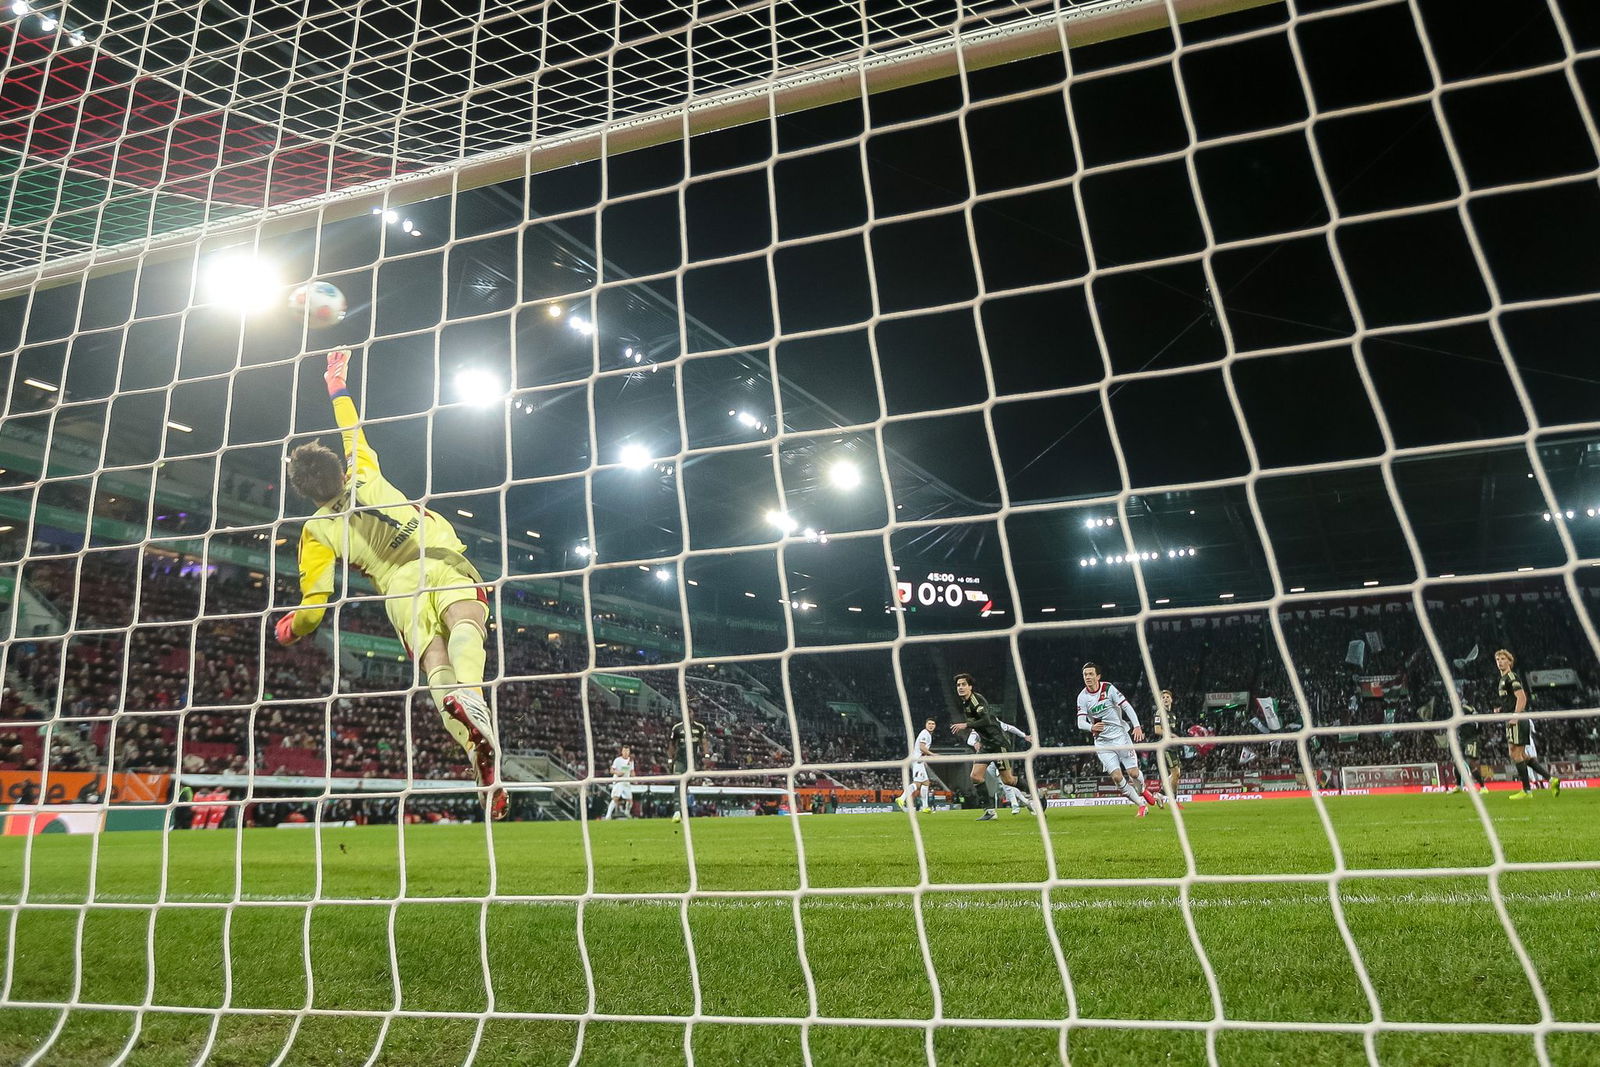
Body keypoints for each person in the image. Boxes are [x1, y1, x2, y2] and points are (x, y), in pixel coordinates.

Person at [276, 348, 506, 821]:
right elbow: (349, 425)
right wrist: (336, 382)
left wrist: (290, 630)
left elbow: (314, 611)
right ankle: (475, 702)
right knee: (467, 622)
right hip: (438, 557)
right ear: (339, 471)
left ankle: (478, 753)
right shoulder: (363, 469)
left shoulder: (315, 532)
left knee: (434, 662)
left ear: (305, 491)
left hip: (399, 588)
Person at [1077, 662, 1162, 817]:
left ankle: (1142, 789)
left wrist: (1136, 726)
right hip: (1102, 743)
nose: (1087, 677)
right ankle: (1141, 804)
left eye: (1090, 674)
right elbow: (1080, 722)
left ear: (1098, 676)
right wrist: (1091, 728)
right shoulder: (1082, 697)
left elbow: (1126, 706)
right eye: (1085, 674)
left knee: (1134, 773)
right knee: (1117, 777)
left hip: (1121, 737)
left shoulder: (1108, 689)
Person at [948, 673, 1026, 822]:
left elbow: (986, 719)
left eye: (964, 684)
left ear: (970, 686)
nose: (960, 687)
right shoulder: (965, 703)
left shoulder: (976, 699)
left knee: (1008, 780)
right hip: (987, 745)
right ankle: (990, 811)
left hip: (998, 743)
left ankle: (1035, 794)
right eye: (958, 685)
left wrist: (966, 725)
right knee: (975, 776)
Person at [1497, 649, 1559, 800]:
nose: (1500, 661)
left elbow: (1522, 697)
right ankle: (1551, 780)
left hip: (1517, 719)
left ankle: (1526, 791)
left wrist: (1515, 716)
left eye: (1503, 658)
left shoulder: (1511, 676)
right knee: (1521, 754)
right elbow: (1512, 699)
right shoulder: (1502, 679)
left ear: (1509, 661)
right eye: (1497, 659)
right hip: (1511, 718)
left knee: (1515, 754)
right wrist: (1501, 709)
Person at [967, 717, 1036, 814]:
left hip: (1000, 753)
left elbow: (1010, 728)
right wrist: (975, 743)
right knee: (1003, 783)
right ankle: (1027, 801)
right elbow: (970, 739)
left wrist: (1024, 736)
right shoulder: (979, 725)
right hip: (988, 760)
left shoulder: (994, 723)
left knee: (1006, 782)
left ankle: (1016, 805)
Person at [668, 708, 709, 823]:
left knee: (685, 786)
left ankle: (681, 811)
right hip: (679, 761)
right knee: (678, 783)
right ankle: (676, 812)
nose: (688, 714)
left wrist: (706, 755)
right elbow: (672, 744)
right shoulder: (677, 728)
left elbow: (704, 742)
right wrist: (670, 760)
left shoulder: (700, 728)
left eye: (690, 711)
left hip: (692, 762)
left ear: (693, 713)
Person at [1150, 688, 1185, 802]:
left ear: (1171, 700)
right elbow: (1157, 730)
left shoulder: (1173, 714)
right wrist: (1172, 735)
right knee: (1175, 773)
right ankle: (1173, 800)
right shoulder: (1160, 712)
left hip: (1173, 746)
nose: (1165, 699)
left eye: (1167, 697)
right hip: (1166, 747)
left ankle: (1160, 794)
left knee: (1177, 774)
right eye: (1163, 697)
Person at [897, 718, 937, 813]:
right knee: (917, 784)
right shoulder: (924, 733)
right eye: (929, 723)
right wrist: (933, 755)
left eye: (933, 724)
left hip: (920, 761)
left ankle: (925, 807)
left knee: (926, 783)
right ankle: (901, 799)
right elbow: (922, 748)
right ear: (925, 725)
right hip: (917, 761)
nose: (931, 725)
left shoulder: (928, 735)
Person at [1451, 703, 1486, 794]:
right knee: (1456, 762)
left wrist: (1478, 732)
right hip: (1463, 739)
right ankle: (1459, 786)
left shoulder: (1466, 708)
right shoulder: (1456, 709)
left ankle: (1483, 787)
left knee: (1471, 763)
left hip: (1471, 739)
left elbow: (1478, 719)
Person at [604, 746, 634, 820]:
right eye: (624, 751)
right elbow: (611, 770)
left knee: (630, 801)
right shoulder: (618, 760)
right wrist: (617, 773)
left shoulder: (631, 761)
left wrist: (634, 777)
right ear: (622, 752)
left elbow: (632, 771)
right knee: (615, 798)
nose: (626, 753)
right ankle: (608, 816)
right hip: (619, 781)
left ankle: (627, 812)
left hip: (626, 782)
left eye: (627, 751)